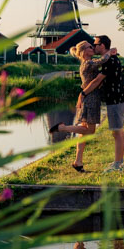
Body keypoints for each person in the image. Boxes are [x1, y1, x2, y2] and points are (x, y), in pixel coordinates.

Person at [51, 40, 115, 172]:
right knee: (90, 131)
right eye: (90, 47)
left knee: (83, 133)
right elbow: (102, 61)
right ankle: (63, 128)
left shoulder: (86, 63)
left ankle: (78, 162)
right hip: (91, 99)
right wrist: (110, 52)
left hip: (89, 98)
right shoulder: (88, 63)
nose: (93, 48)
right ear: (84, 51)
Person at [82, 35, 124, 173]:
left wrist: (83, 93)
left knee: (117, 132)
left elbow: (96, 81)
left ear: (102, 45)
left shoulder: (110, 61)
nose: (94, 46)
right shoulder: (110, 59)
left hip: (115, 99)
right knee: (118, 132)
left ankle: (118, 164)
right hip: (116, 98)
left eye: (95, 44)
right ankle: (119, 162)